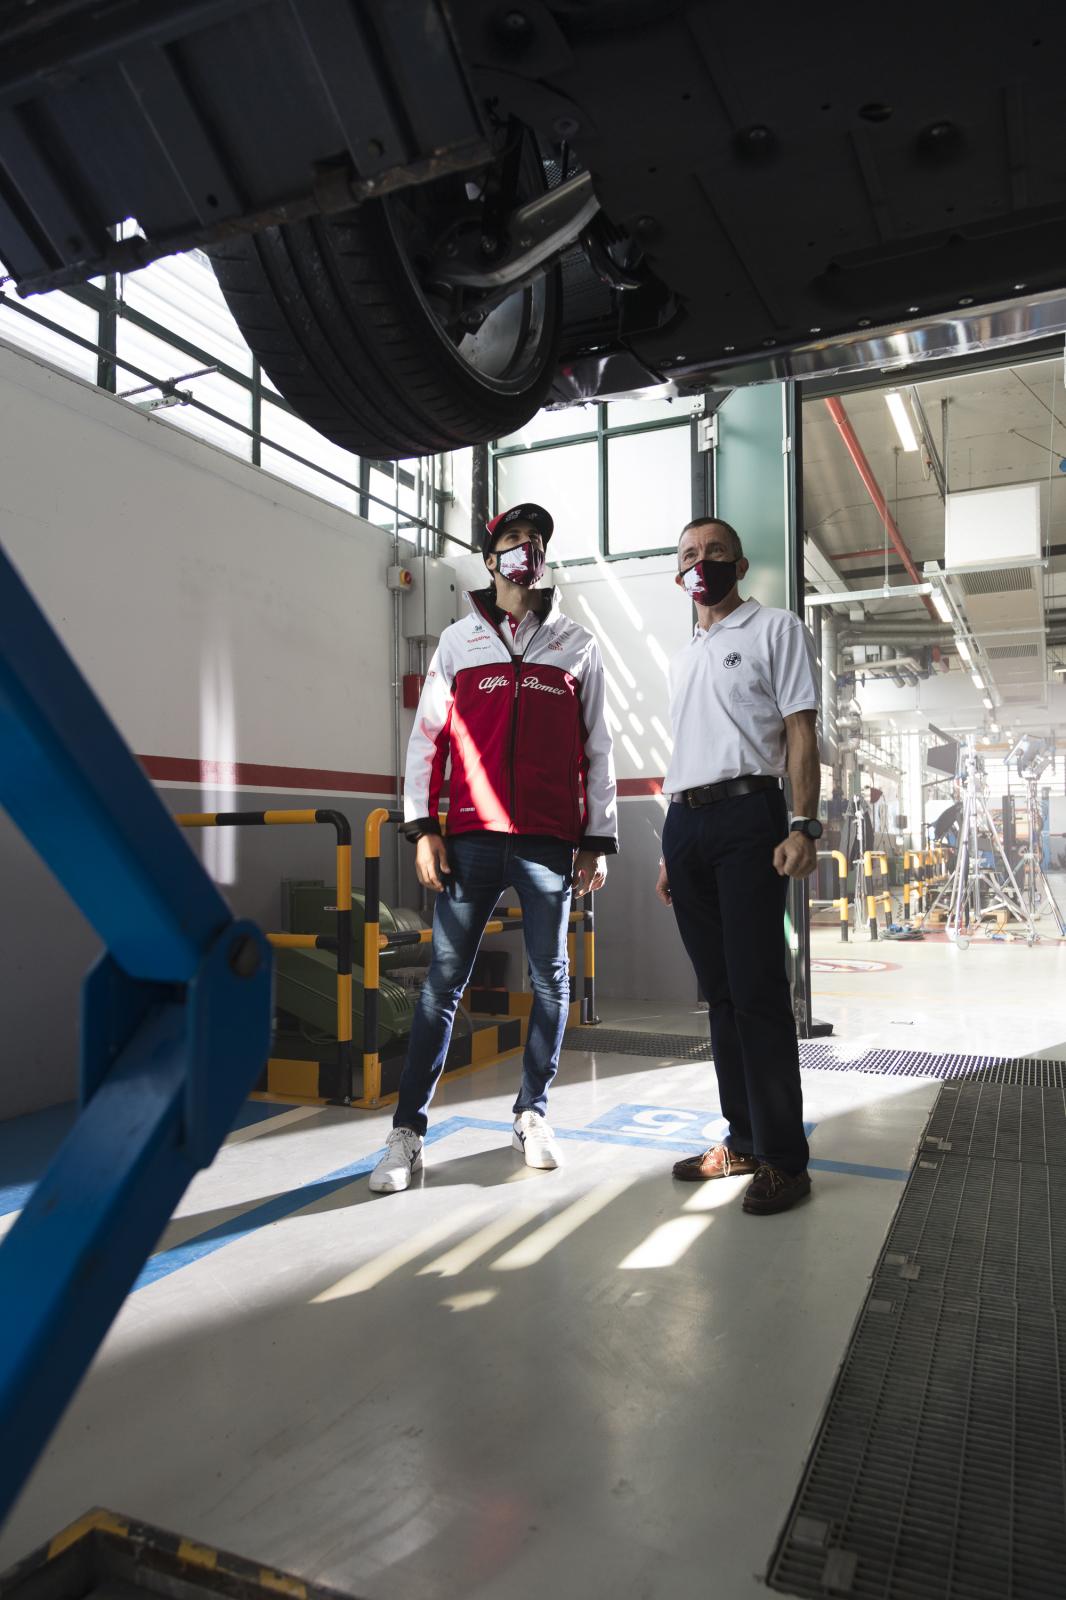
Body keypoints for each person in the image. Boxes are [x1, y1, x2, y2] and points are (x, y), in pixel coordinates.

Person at [370, 502, 618, 1194]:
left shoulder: (577, 645)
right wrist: (423, 828)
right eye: (512, 539)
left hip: (548, 843)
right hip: (471, 840)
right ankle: (407, 1132)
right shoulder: (458, 642)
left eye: (535, 540)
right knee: (441, 985)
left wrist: (597, 840)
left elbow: (598, 746)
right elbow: (427, 739)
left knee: (552, 981)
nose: (525, 549)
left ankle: (532, 1113)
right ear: (490, 559)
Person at [656, 517, 821, 1215]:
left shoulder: (775, 629)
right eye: (691, 554)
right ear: (679, 574)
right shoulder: (686, 654)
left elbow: (801, 729)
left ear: (740, 564)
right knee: (720, 994)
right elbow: (688, 746)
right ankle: (744, 1139)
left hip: (749, 814)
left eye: (715, 552)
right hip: (686, 825)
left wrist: (803, 824)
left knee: (756, 991)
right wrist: (671, 852)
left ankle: (785, 1159)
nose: (703, 562)